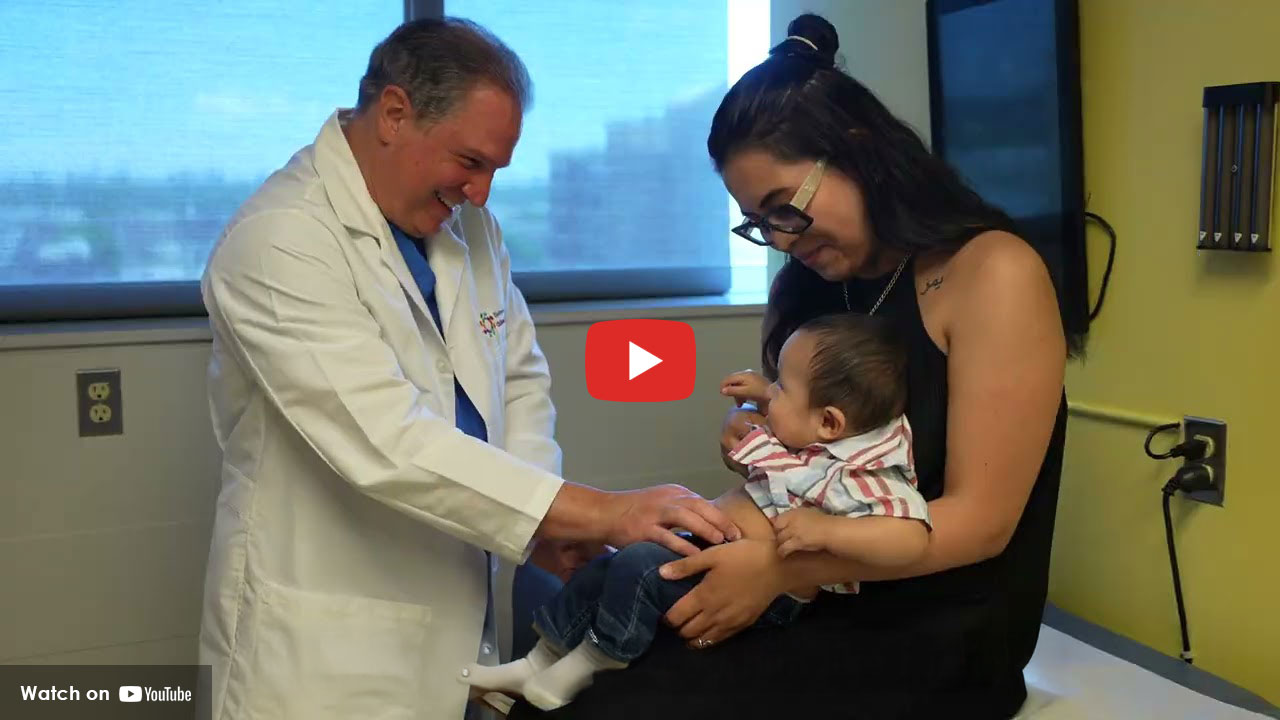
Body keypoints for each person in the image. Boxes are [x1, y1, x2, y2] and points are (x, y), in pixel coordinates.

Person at [510, 12, 1068, 720]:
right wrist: (757, 436)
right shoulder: (802, 287)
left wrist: (780, 568)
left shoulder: (992, 273)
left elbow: (982, 523)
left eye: (785, 210)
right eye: (756, 222)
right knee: (584, 667)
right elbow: (811, 454)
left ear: (858, 151)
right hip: (808, 589)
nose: (778, 238)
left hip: (932, 628)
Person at [196, 18, 738, 720]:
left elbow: (518, 379)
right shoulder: (281, 241)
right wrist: (602, 509)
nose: (480, 194)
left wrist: (550, 527)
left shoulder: (466, 227)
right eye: (470, 162)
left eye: (493, 171)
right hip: (323, 653)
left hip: (462, 617)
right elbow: (387, 442)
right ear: (395, 113)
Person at [462, 314, 930, 710]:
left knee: (641, 567)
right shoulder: (808, 441)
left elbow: (911, 540)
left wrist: (828, 531)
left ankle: (598, 657)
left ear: (830, 421)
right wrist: (761, 397)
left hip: (767, 593)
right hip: (715, 543)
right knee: (606, 564)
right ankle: (539, 659)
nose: (772, 398)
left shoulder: (864, 476)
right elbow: (772, 424)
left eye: (782, 389)